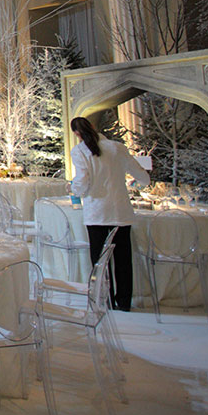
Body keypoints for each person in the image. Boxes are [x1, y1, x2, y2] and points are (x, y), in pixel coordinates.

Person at [69, 115, 150, 311]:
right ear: (93, 127)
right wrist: (143, 181)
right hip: (120, 210)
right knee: (123, 258)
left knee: (100, 259)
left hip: (97, 211)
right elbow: (140, 174)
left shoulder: (80, 151)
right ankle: (124, 302)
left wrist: (75, 190)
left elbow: (82, 182)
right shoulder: (117, 147)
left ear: (77, 134)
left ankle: (104, 299)